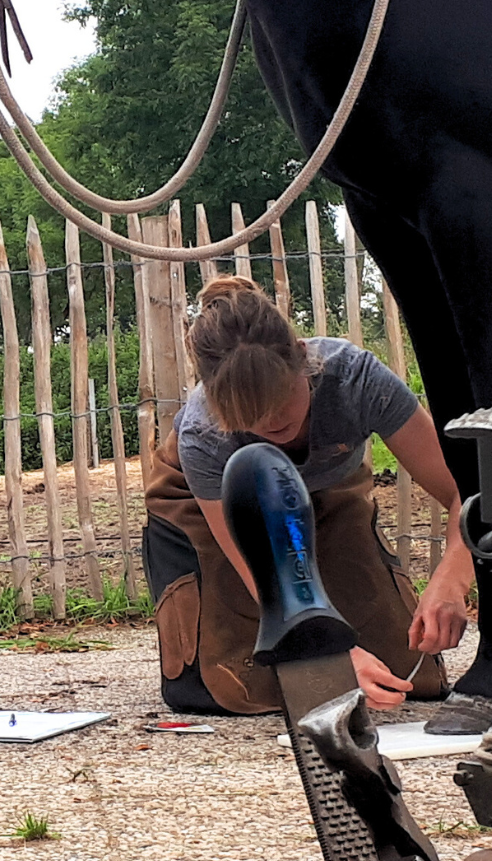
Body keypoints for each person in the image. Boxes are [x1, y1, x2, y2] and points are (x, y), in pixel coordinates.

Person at [144, 275, 470, 715]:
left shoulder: (357, 380)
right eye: (249, 417)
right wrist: (330, 654)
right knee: (239, 686)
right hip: (225, 514)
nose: (272, 424)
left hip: (326, 492)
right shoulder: (205, 432)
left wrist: (451, 581)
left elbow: (464, 494)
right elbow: (267, 583)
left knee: (410, 674)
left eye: (281, 400)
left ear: (301, 357)